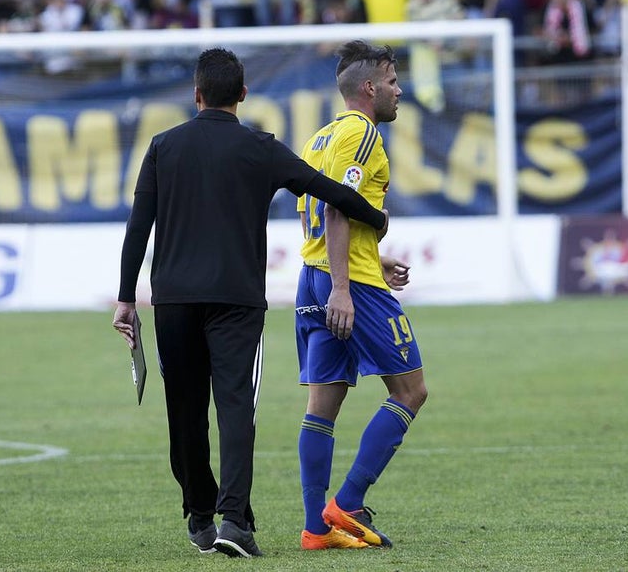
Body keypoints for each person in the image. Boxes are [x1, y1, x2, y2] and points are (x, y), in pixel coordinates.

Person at [111, 47, 390, 559]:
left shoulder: (163, 147)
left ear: (196, 95)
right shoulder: (260, 147)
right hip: (237, 301)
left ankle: (198, 514)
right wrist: (375, 218)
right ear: (243, 94)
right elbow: (327, 191)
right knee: (237, 408)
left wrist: (127, 297)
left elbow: (138, 226)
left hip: (172, 300)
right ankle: (234, 520)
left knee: (186, 411)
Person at [295, 40, 427, 551]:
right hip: (347, 285)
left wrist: (371, 253)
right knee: (410, 391)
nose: (400, 91)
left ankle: (315, 528)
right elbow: (336, 208)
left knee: (322, 405)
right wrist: (347, 287)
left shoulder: (321, 137)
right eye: (393, 82)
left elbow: (324, 215)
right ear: (370, 88)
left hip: (314, 275)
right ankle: (347, 503)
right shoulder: (363, 132)